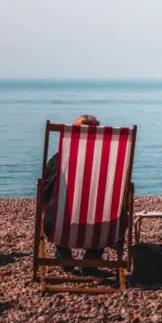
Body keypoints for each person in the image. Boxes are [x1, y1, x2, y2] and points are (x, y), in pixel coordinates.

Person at [41, 114, 124, 270]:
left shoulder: (58, 160)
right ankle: (92, 257)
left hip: (60, 227)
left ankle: (63, 252)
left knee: (53, 209)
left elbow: (45, 194)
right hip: (102, 228)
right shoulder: (109, 163)